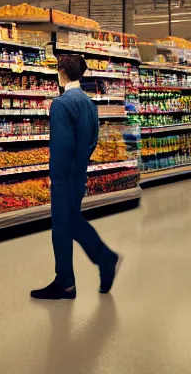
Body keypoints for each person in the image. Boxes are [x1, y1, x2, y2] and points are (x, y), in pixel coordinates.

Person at [31, 54, 121, 300]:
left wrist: (56, 176)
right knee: (71, 223)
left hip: (64, 177)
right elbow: (93, 140)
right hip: (79, 174)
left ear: (60, 72)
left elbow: (61, 147)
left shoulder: (61, 104)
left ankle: (72, 278)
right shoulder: (89, 105)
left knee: (61, 228)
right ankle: (87, 269)